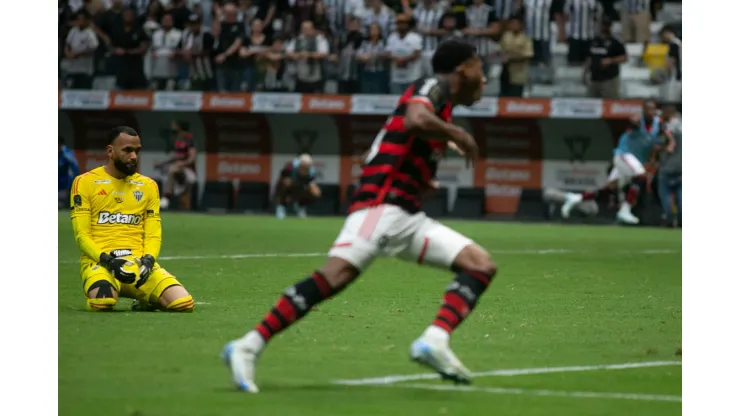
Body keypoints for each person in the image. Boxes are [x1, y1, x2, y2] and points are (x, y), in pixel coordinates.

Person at [223, 38, 491, 393]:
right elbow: (414, 118)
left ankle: (435, 340)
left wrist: (424, 177)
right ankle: (249, 344)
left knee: (480, 264)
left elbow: (385, 147)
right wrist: (457, 134)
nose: (484, 79)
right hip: (380, 207)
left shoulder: (440, 108)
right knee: (335, 276)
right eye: (480, 68)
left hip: (406, 215)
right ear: (463, 68)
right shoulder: (432, 87)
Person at [70, 126, 195, 312]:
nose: (134, 156)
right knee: (102, 303)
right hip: (101, 264)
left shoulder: (148, 186)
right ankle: (107, 286)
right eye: (127, 150)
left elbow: (153, 233)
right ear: (110, 152)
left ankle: (145, 299)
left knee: (183, 304)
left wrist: (149, 260)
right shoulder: (85, 182)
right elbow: (82, 235)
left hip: (139, 265)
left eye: (137, 151)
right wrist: (108, 261)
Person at [560, 99, 676, 224]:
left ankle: (575, 198)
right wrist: (634, 119)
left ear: (655, 110)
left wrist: (669, 146)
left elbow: (670, 139)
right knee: (642, 177)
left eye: (652, 109)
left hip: (634, 160)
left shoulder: (659, 124)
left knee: (609, 188)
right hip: (623, 155)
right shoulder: (638, 121)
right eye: (647, 109)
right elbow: (633, 121)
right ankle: (625, 210)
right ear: (643, 110)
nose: (650, 112)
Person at [157, 121, 197, 210]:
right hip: (177, 174)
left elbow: (192, 158)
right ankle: (167, 197)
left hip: (188, 172)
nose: (172, 127)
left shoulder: (189, 139)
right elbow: (175, 157)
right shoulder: (177, 140)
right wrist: (162, 163)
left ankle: (167, 197)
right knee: (169, 171)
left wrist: (183, 163)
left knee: (172, 169)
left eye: (174, 126)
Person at [274, 154, 321, 219]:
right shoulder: (290, 168)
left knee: (315, 193)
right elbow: (280, 181)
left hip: (300, 188)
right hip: (288, 187)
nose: (305, 169)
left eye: (307, 167)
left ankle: (300, 206)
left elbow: (312, 185)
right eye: (303, 167)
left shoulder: (311, 172)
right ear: (299, 165)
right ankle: (281, 207)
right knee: (285, 183)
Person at [657, 104, 681, 228]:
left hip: (668, 166)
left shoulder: (666, 127)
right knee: (681, 194)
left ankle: (669, 218)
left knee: (665, 193)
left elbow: (664, 146)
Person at [59, 136, 80, 209]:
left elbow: (75, 167)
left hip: (64, 182)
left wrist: (75, 180)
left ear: (61, 145)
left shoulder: (67, 154)